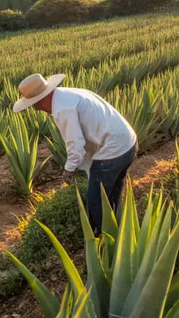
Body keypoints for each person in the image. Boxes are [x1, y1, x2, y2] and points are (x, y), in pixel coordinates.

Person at [12, 73, 137, 231]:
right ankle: (116, 229)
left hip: (112, 151)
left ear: (41, 100)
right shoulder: (68, 94)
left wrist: (69, 169)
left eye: (34, 105)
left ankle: (101, 239)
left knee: (96, 201)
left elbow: (75, 143)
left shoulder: (62, 109)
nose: (37, 109)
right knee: (112, 193)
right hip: (128, 142)